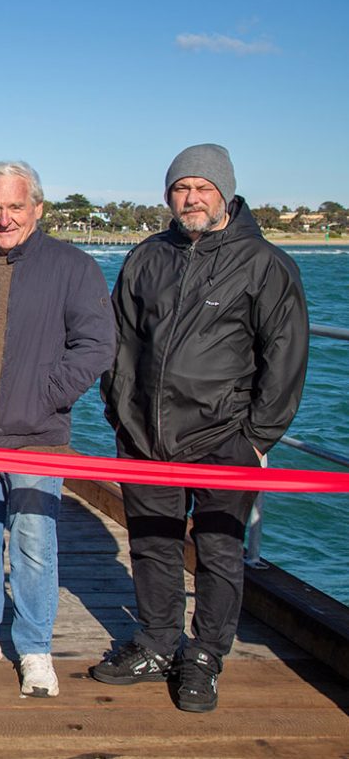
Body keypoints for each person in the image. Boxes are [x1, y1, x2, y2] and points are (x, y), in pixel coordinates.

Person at [92, 144, 308, 713]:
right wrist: (120, 411)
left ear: (226, 194)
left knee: (218, 553)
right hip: (144, 439)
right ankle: (160, 643)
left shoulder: (264, 264)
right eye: (180, 189)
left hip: (222, 441)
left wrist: (258, 438)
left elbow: (285, 357)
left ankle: (206, 655)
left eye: (202, 188)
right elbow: (120, 341)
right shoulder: (147, 257)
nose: (190, 198)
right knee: (153, 545)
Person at [0, 161, 114, 698]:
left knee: (33, 542)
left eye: (15, 206)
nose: (4, 218)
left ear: (37, 209)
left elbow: (97, 344)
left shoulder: (71, 265)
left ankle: (33, 648)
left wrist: (48, 394)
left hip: (35, 433)